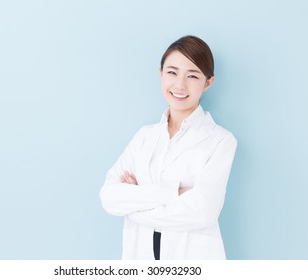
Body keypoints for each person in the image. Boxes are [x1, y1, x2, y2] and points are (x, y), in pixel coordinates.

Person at [99, 35, 237, 260]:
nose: (180, 85)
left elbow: (202, 212)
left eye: (192, 76)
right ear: (160, 73)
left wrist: (134, 205)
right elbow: (109, 197)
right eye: (172, 72)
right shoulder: (144, 137)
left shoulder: (220, 141)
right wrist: (172, 193)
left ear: (208, 82)